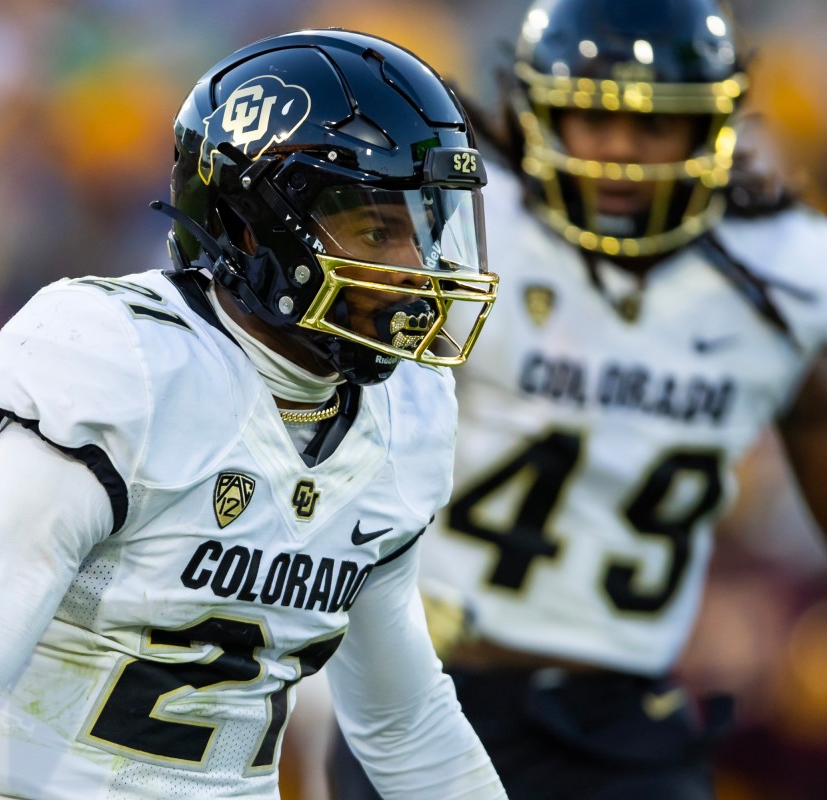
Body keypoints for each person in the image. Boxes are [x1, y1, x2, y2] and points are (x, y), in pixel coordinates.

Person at [0, 28, 507, 800]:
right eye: (379, 230)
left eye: (425, 230)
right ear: (255, 227)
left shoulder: (403, 413)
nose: (415, 272)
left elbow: (406, 726)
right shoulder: (131, 371)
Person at [329, 0, 827, 798]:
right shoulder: (464, 234)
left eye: (653, 125)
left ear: (715, 126)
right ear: (534, 111)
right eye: (589, 119)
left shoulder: (787, 276)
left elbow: (812, 415)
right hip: (428, 689)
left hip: (627, 709)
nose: (620, 151)